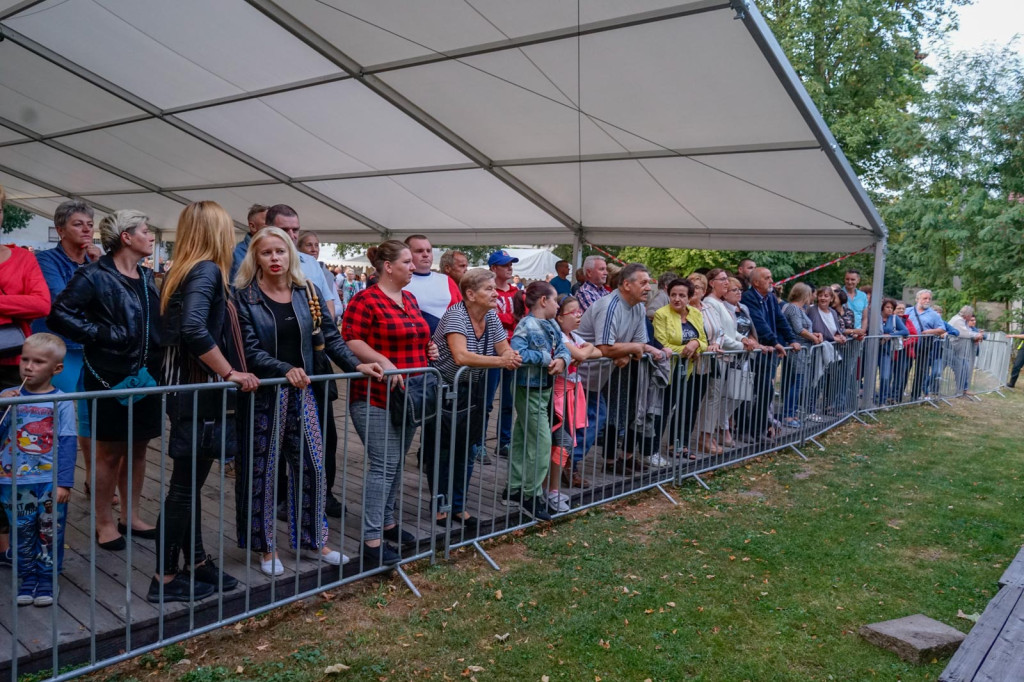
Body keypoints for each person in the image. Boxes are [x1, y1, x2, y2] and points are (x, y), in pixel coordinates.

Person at [235, 227, 382, 575]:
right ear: (255, 257)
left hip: (303, 393)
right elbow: (248, 349)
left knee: (313, 468)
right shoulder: (244, 297)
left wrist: (355, 364)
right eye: (267, 252)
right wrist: (284, 369)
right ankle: (265, 548)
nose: (275, 258)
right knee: (263, 473)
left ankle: (313, 539)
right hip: (263, 395)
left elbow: (330, 337)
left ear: (291, 254)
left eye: (280, 251)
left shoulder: (307, 292)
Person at [152, 200, 260, 602]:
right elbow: (195, 328)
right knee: (183, 488)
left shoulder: (182, 270)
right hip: (198, 392)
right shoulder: (207, 270)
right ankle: (164, 578)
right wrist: (229, 372)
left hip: (187, 390)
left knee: (188, 486)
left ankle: (196, 562)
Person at [49, 210, 163, 552]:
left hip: (147, 377)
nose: (151, 236)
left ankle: (131, 516)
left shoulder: (146, 276)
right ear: (126, 236)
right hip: (108, 375)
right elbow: (59, 314)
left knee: (139, 449)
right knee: (109, 453)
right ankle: (104, 522)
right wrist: (100, 334)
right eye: (145, 230)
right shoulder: (93, 274)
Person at [342, 240, 437, 568]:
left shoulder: (409, 299)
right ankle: (371, 542)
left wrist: (429, 348)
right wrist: (384, 361)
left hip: (409, 398)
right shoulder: (365, 300)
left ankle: (387, 523)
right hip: (375, 396)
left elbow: (417, 336)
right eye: (407, 262)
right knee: (384, 465)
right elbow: (350, 338)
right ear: (388, 267)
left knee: (395, 464)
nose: (414, 266)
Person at [429, 268, 520, 531]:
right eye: (488, 289)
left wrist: (510, 356)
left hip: (472, 388)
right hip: (444, 389)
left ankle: (458, 505)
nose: (495, 293)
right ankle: (440, 506)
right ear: (470, 294)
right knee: (443, 450)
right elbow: (461, 356)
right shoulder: (457, 315)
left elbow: (504, 347)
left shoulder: (490, 316)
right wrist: (501, 361)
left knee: (468, 448)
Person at [0, 334, 75, 607]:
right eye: (25, 359)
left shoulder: (62, 401)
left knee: (49, 531)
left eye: (38, 362)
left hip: (48, 479)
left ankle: (47, 578)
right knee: (21, 531)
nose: (28, 367)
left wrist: (64, 482)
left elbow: (68, 441)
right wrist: (3, 406)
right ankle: (27, 577)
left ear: (57, 368)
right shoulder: (7, 396)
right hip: (13, 480)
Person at [31, 201, 102, 483]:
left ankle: (93, 478)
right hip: (58, 348)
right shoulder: (46, 260)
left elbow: (110, 301)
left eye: (90, 224)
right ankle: (46, 480)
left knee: (90, 417)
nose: (86, 230)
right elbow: (61, 301)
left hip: (90, 348)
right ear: (60, 230)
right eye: (78, 224)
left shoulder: (96, 263)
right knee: (51, 416)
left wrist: (97, 266)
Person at [575, 263, 669, 475]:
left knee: (605, 418)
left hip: (606, 375)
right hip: (583, 377)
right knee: (586, 424)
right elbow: (605, 348)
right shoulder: (610, 306)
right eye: (643, 283)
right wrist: (630, 349)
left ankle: (572, 465)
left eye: (649, 282)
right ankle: (569, 466)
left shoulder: (638, 307)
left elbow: (640, 343)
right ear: (626, 284)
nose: (648, 287)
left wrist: (627, 352)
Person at [507, 282, 569, 520]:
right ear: (544, 301)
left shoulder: (552, 324)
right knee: (541, 443)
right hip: (528, 388)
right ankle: (531, 494)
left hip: (544, 389)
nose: (558, 306)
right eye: (555, 301)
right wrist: (544, 358)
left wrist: (562, 360)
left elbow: (563, 347)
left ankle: (515, 487)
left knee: (523, 436)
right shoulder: (527, 325)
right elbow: (517, 353)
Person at [740, 268, 800, 442]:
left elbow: (780, 320)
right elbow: (758, 323)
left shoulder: (771, 298)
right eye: (767, 278)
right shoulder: (749, 298)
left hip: (768, 353)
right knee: (746, 393)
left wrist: (791, 339)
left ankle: (758, 429)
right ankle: (745, 430)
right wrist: (775, 342)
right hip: (754, 351)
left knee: (766, 391)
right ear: (756, 282)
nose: (771, 281)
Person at [550, 295, 600, 501]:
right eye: (573, 312)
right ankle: (550, 488)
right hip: (558, 395)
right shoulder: (559, 336)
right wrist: (581, 353)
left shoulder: (573, 336)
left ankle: (552, 489)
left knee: (565, 441)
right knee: (561, 441)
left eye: (580, 312)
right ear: (560, 317)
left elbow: (596, 351)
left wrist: (582, 351)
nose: (579, 316)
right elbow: (581, 355)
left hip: (571, 392)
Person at [653, 279, 708, 459]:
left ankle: (678, 445)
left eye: (682, 295)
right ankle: (652, 451)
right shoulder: (661, 314)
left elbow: (704, 341)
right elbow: (663, 344)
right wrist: (688, 349)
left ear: (689, 297)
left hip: (689, 370)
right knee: (662, 410)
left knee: (686, 408)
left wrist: (695, 344)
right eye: (673, 295)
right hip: (668, 370)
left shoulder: (695, 313)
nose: (677, 299)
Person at [483, 250, 521, 461]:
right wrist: (510, 318)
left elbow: (520, 318)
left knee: (508, 400)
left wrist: (507, 318)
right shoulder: (488, 291)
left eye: (510, 264)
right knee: (486, 400)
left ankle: (504, 441)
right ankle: (478, 443)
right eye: (505, 265)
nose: (510, 268)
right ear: (493, 268)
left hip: (512, 350)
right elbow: (491, 318)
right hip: (491, 351)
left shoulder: (516, 292)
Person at [402, 235, 461, 334]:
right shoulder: (399, 282)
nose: (426, 254)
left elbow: (462, 312)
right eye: (419, 251)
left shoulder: (447, 280)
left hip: (450, 339)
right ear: (406, 254)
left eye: (429, 251)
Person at [906, 289, 958, 399]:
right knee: (904, 370)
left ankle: (915, 396)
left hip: (924, 346)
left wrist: (930, 331)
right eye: (925, 298)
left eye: (929, 299)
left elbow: (942, 329)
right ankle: (897, 395)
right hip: (908, 346)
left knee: (920, 372)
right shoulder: (908, 311)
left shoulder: (934, 315)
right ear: (917, 299)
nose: (927, 300)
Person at [780, 283, 819, 429]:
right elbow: (798, 329)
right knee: (798, 382)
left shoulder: (801, 309)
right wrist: (813, 338)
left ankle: (793, 412)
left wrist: (815, 334)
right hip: (797, 351)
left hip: (803, 350)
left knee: (799, 383)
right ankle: (788, 414)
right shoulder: (793, 308)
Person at [806, 286, 847, 416]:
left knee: (832, 379)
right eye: (820, 295)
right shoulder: (812, 310)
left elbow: (836, 328)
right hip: (817, 350)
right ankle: (810, 409)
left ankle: (828, 406)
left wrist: (840, 336)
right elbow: (816, 328)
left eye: (826, 296)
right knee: (817, 380)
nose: (823, 298)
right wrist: (833, 338)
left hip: (831, 351)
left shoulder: (833, 312)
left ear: (831, 298)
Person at [297, 231, 343, 316]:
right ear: (299, 248)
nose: (314, 249)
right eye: (309, 245)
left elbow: (338, 307)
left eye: (316, 245)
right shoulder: (294, 270)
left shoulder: (327, 274)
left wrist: (321, 312)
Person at [878, 298, 909, 404]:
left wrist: (890, 335)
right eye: (887, 307)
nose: (890, 309)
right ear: (882, 308)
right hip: (872, 350)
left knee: (885, 377)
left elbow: (905, 331)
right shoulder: (876, 317)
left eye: (892, 308)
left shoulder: (894, 318)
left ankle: (882, 401)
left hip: (886, 351)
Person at [229, 204, 268, 282]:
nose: (273, 226)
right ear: (252, 226)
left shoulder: (281, 252)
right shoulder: (235, 254)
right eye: (268, 221)